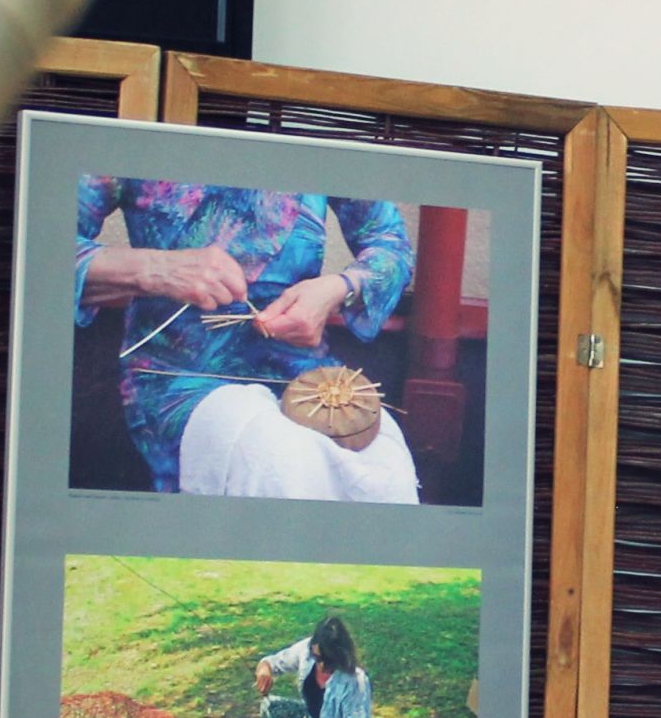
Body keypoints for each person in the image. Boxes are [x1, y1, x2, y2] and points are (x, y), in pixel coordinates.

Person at [75, 177, 418, 500]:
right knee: (274, 458)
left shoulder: (322, 144)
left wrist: (341, 288)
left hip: (301, 375)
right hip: (178, 373)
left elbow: (390, 245)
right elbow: (49, 247)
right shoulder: (141, 136)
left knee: (384, 467)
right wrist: (156, 268)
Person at [254, 615, 379, 718]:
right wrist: (264, 672)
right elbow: (271, 662)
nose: (321, 665)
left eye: (328, 661)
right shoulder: (306, 650)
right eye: (318, 658)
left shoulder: (355, 681)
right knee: (270, 708)